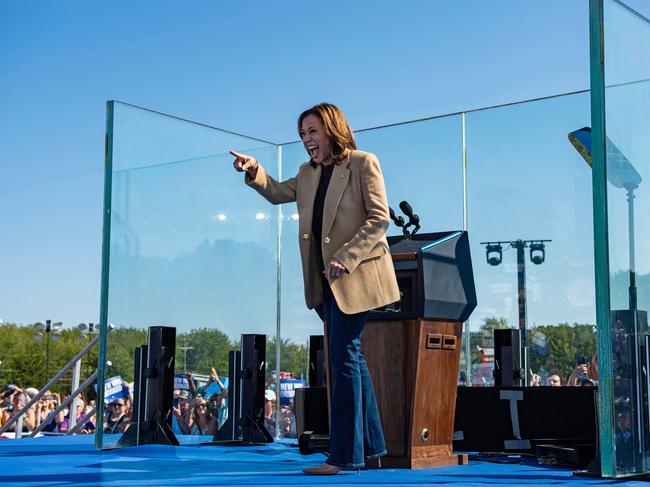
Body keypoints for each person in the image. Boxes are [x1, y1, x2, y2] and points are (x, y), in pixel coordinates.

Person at [232, 103, 399, 475]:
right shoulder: (306, 174)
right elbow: (276, 192)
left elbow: (379, 218)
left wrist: (347, 256)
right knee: (350, 358)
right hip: (324, 281)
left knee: (343, 359)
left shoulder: (362, 162)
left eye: (313, 131)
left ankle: (345, 457)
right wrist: (254, 169)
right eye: (303, 134)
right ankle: (371, 449)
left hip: (356, 276)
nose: (307, 140)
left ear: (331, 129)